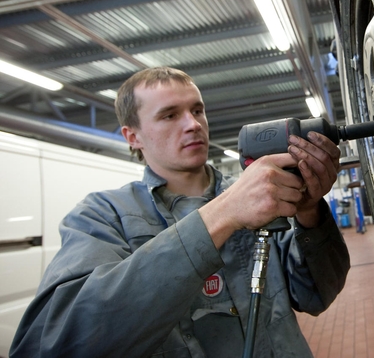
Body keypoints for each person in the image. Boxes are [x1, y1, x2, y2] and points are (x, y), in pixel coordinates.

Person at [10, 67, 350, 357]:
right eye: (170, 115)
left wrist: (309, 213)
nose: (192, 124)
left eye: (197, 110)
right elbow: (51, 343)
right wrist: (222, 215)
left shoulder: (262, 196)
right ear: (133, 136)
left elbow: (315, 294)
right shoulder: (102, 215)